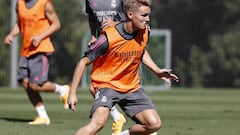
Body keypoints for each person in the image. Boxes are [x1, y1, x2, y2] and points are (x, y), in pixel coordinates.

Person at [68, 0, 179, 134]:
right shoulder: (108, 38)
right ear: (130, 15)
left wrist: (157, 71)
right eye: (144, 16)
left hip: (132, 87)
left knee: (154, 124)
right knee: (97, 124)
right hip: (107, 85)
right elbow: (83, 62)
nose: (148, 19)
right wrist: (72, 93)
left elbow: (140, 50)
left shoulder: (145, 31)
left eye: (149, 15)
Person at [4, 0, 69, 125]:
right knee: (25, 82)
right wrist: (11, 35)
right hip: (26, 50)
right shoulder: (20, 3)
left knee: (36, 85)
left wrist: (40, 37)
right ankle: (43, 117)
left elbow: (56, 24)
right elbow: (19, 22)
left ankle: (63, 90)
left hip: (41, 49)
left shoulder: (45, 4)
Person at [85, 0, 127, 134]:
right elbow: (91, 17)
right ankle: (118, 117)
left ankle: (147, 126)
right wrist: (93, 35)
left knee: (127, 88)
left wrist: (116, 24)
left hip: (122, 45)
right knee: (94, 88)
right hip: (104, 44)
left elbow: (134, 19)